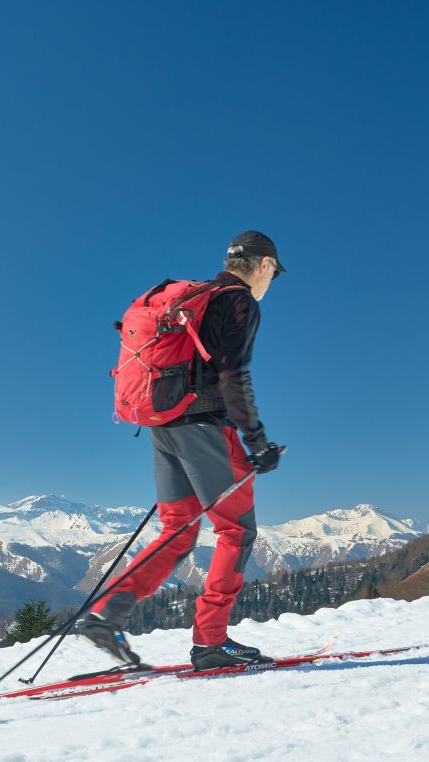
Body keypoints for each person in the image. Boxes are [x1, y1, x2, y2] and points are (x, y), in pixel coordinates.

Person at [75, 230, 286, 670]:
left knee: (179, 530)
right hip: (207, 427)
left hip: (163, 423)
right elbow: (233, 376)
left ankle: (107, 612)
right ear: (264, 265)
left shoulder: (199, 297)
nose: (272, 281)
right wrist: (257, 440)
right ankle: (210, 643)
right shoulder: (239, 301)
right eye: (274, 272)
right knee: (236, 531)